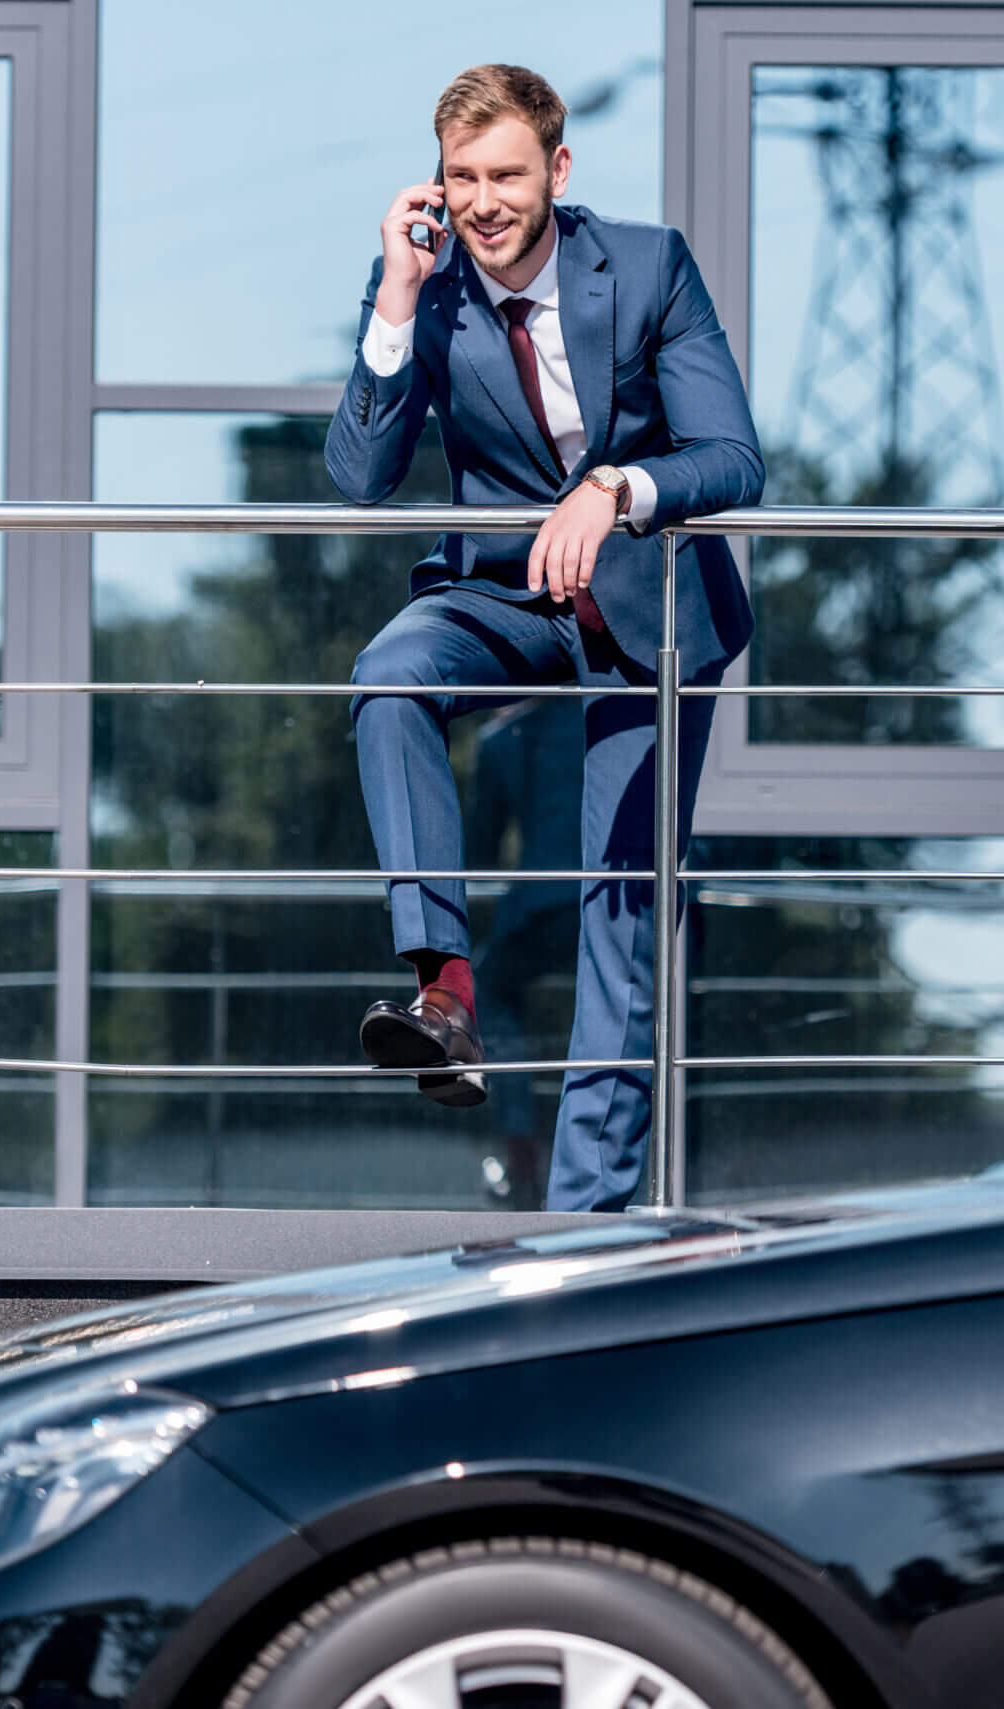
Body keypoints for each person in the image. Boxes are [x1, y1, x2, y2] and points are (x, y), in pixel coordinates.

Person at [325, 63, 762, 1213]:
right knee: (390, 672)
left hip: (646, 610)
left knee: (617, 904)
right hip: (508, 596)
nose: (482, 201)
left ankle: (583, 1219)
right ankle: (445, 991)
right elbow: (361, 479)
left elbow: (732, 457)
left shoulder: (650, 264)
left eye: (505, 174)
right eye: (460, 177)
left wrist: (616, 486)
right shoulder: (426, 287)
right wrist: (393, 304)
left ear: (556, 171)